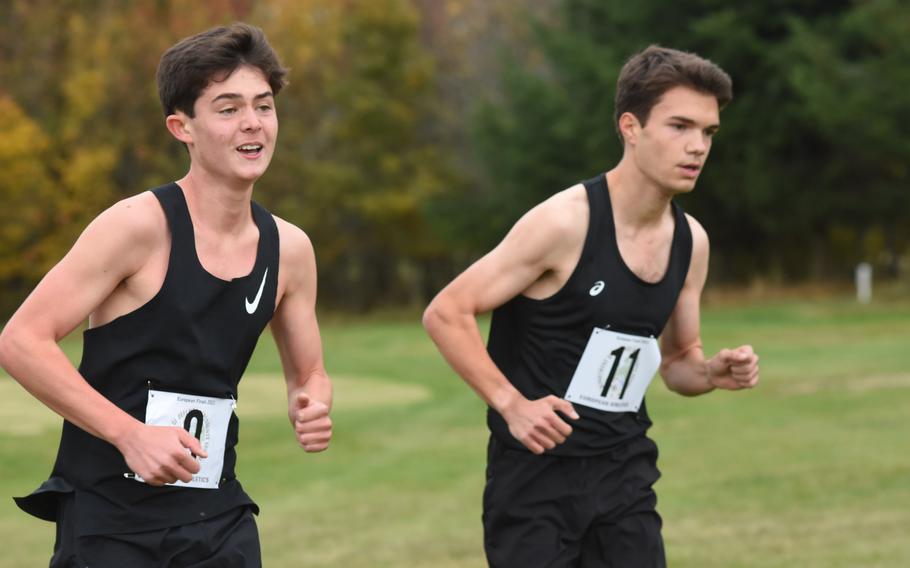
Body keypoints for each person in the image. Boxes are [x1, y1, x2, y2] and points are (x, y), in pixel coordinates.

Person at [0, 23, 332, 567]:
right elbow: (21, 341)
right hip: (112, 522)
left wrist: (313, 403)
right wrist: (130, 435)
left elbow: (310, 373)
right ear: (183, 127)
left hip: (218, 518)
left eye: (264, 106)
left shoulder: (290, 248)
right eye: (228, 109)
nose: (252, 123)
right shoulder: (137, 227)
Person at [423, 45, 759, 567]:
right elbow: (447, 312)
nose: (697, 146)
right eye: (679, 126)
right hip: (535, 486)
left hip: (625, 478)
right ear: (631, 126)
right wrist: (512, 405)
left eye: (708, 132)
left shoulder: (691, 242)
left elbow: (677, 363)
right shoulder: (564, 224)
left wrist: (712, 371)